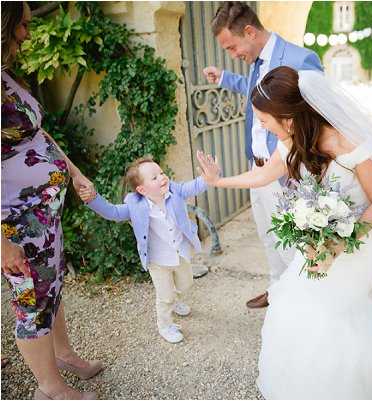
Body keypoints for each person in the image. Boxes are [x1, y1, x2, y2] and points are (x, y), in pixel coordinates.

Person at [196, 66, 372, 399]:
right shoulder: (289, 141)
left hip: (359, 241)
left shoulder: (349, 143)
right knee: (297, 303)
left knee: (333, 311)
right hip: (318, 245)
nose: (261, 125)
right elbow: (262, 176)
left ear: (288, 117)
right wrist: (218, 181)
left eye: (263, 119)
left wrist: (338, 243)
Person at [1, 2, 103, 399]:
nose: (27, 33)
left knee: (52, 286)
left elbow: (38, 136)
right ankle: (50, 387)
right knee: (31, 300)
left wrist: (74, 173)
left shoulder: (7, 77)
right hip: (15, 222)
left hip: (42, 215)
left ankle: (64, 355)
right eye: (21, 25)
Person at [203, 1, 323, 309]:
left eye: (232, 47)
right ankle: (277, 288)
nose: (233, 55)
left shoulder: (300, 59)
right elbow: (259, 92)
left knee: (295, 243)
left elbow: (318, 117)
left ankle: (302, 297)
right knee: (269, 237)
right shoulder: (257, 63)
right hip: (256, 165)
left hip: (287, 173)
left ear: (249, 31)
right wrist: (226, 78)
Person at [78, 156, 207, 344]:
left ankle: (176, 300)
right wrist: (93, 199)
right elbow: (112, 212)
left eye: (161, 173)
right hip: (158, 261)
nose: (162, 178)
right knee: (165, 296)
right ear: (142, 189)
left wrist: (208, 177)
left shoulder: (174, 191)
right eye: (154, 177)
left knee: (186, 284)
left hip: (180, 253)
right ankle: (165, 326)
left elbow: (192, 187)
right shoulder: (135, 205)